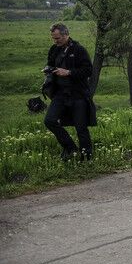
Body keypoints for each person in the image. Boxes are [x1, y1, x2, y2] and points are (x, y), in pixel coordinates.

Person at [43, 23, 96, 161]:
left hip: (78, 94)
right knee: (49, 120)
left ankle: (87, 158)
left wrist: (69, 72)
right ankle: (70, 148)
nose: (55, 41)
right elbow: (50, 63)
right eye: (53, 38)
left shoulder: (79, 50)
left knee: (81, 128)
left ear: (66, 35)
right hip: (60, 94)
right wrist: (48, 69)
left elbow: (88, 70)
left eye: (58, 38)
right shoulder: (54, 49)